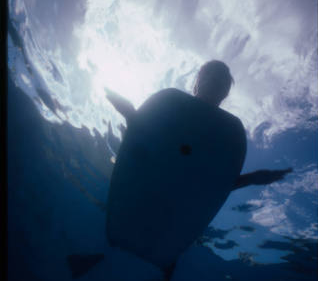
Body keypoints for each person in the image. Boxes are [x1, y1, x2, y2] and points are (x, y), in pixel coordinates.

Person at [105, 60, 292, 190]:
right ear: (196, 83)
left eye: (223, 78)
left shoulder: (225, 137)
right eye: (210, 74)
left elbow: (213, 185)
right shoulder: (171, 107)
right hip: (142, 181)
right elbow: (141, 145)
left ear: (226, 92)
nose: (216, 79)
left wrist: (251, 179)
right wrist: (130, 114)